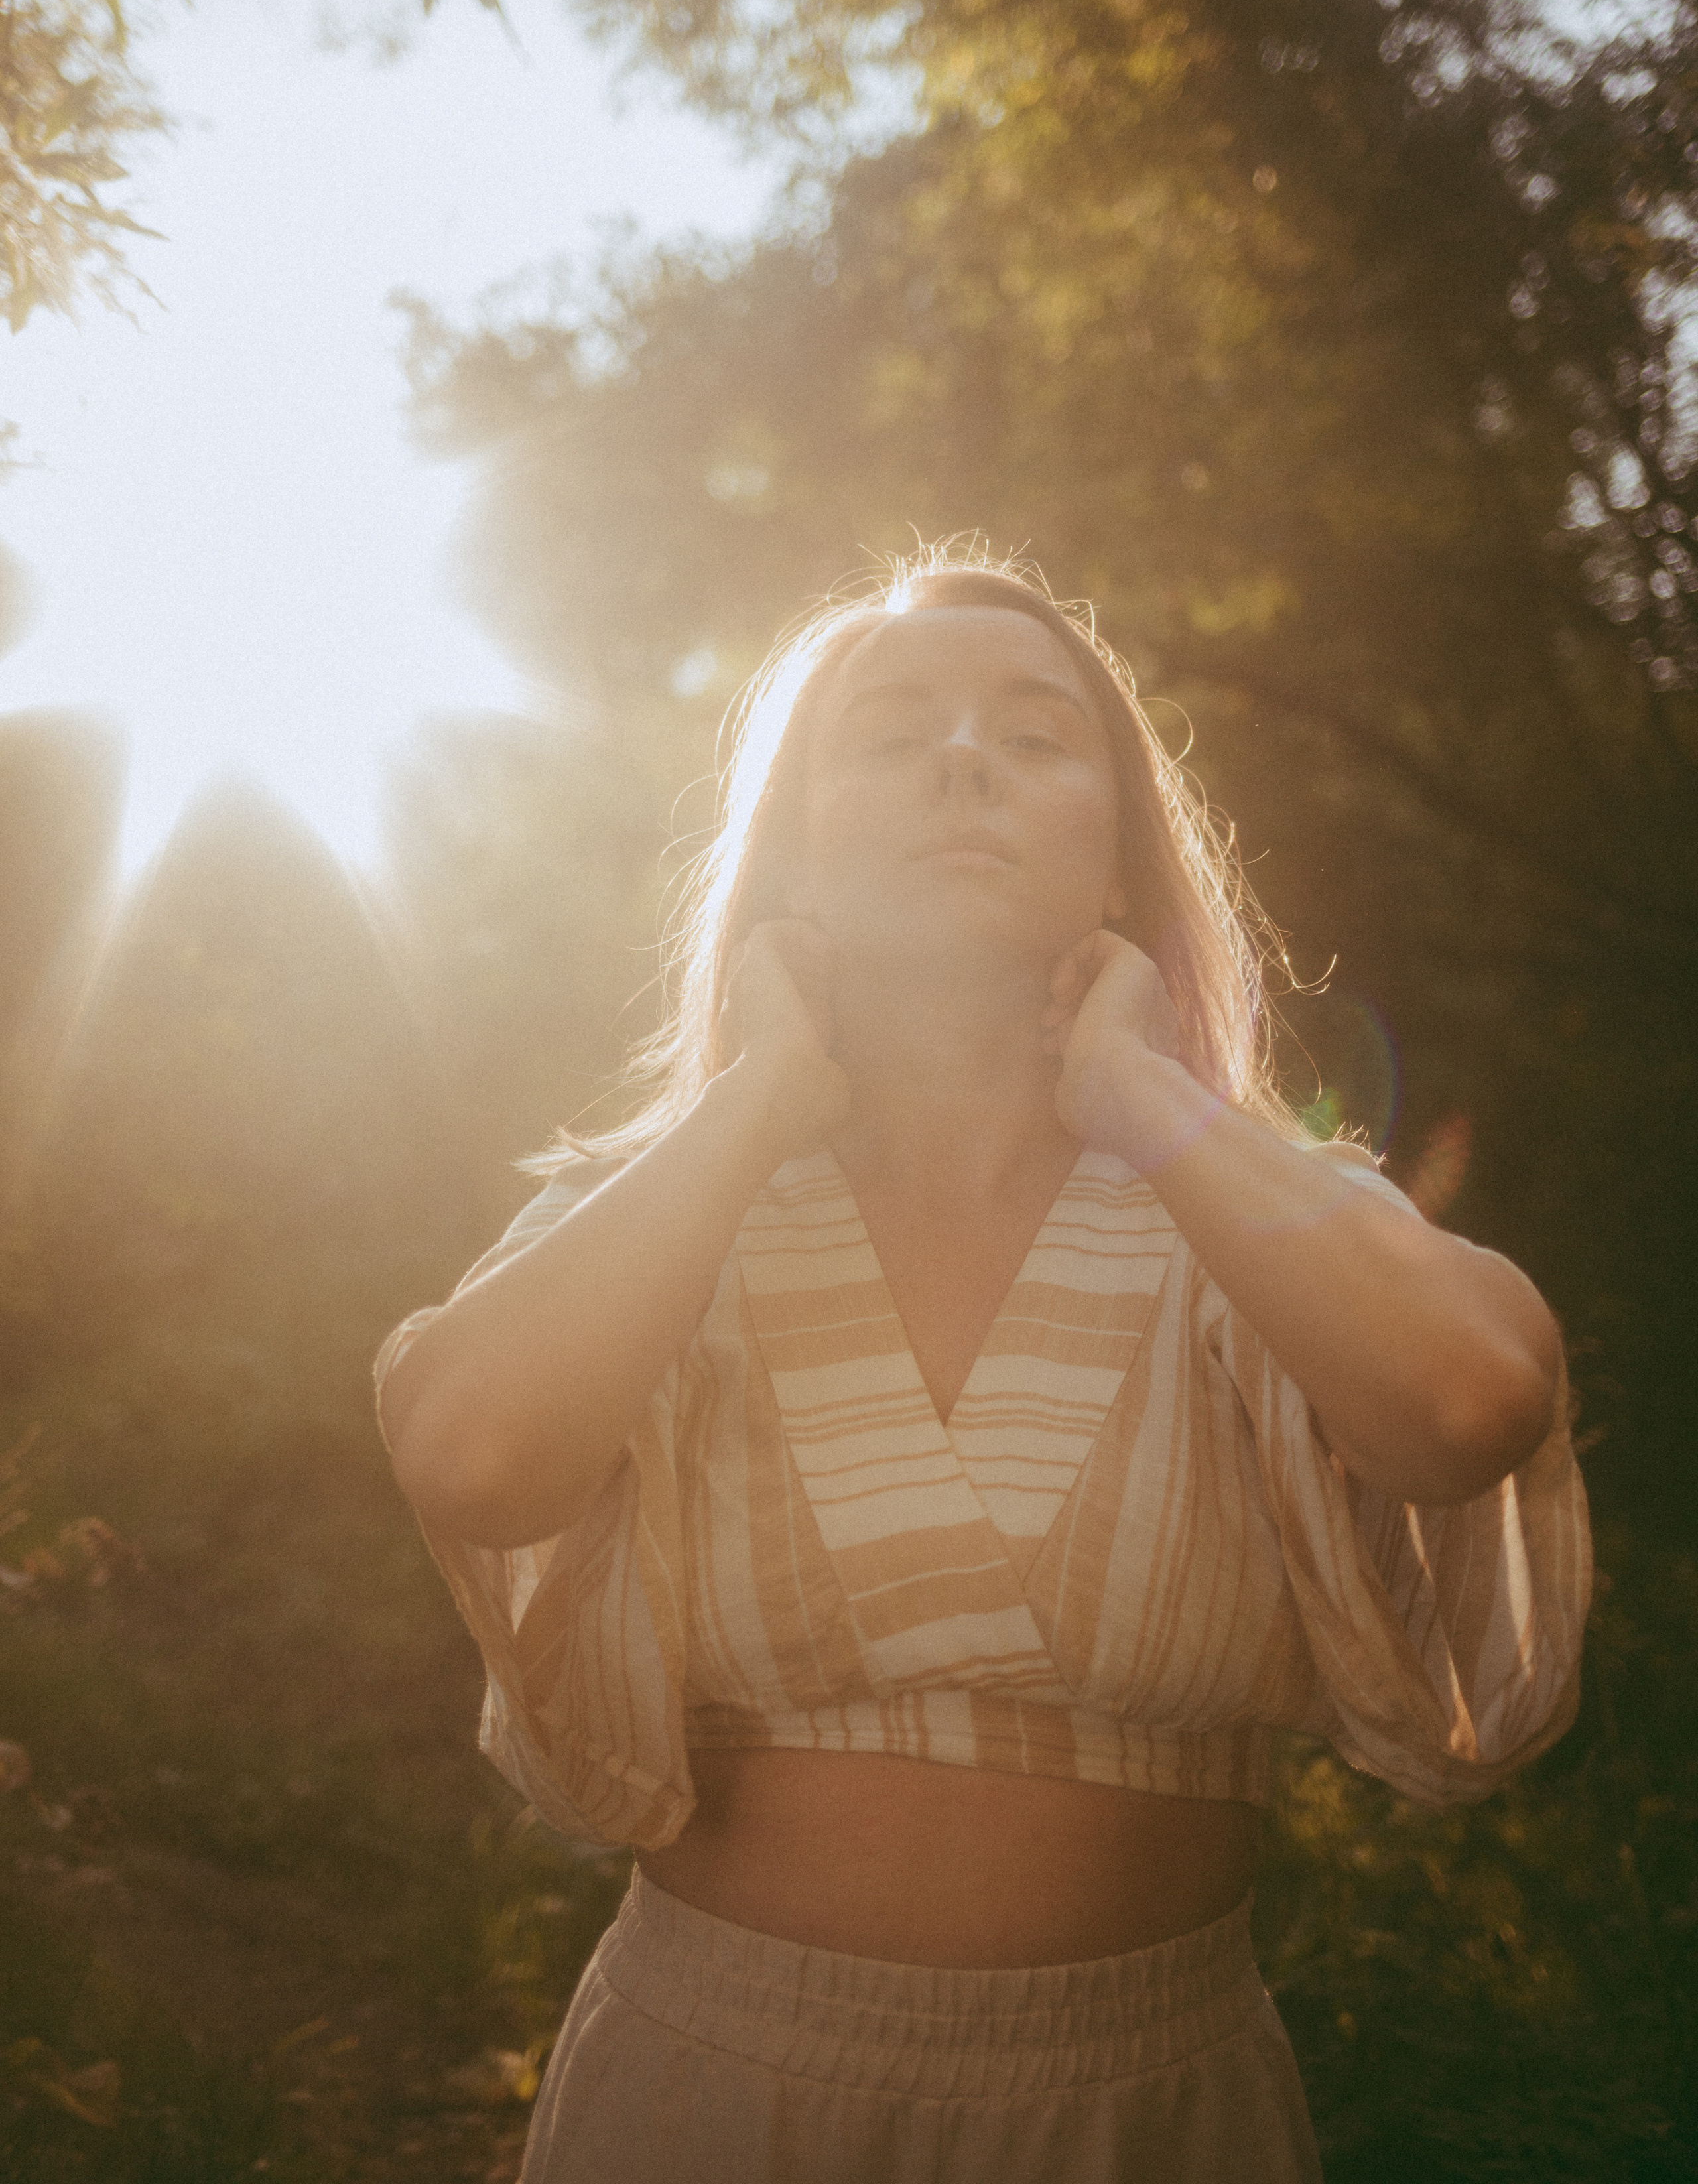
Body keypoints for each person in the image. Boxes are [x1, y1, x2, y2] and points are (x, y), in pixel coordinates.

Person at [376, 550, 1591, 2183]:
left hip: (1147, 2110)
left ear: (1112, 864)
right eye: (890, 734)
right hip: (713, 2092)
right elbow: (466, 1453)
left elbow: (1469, 1404)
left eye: (1033, 734)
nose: (962, 758)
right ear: (798, 848)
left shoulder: (1245, 1214)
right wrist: (754, 1101)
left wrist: (1142, 1097)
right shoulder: (661, 1211)